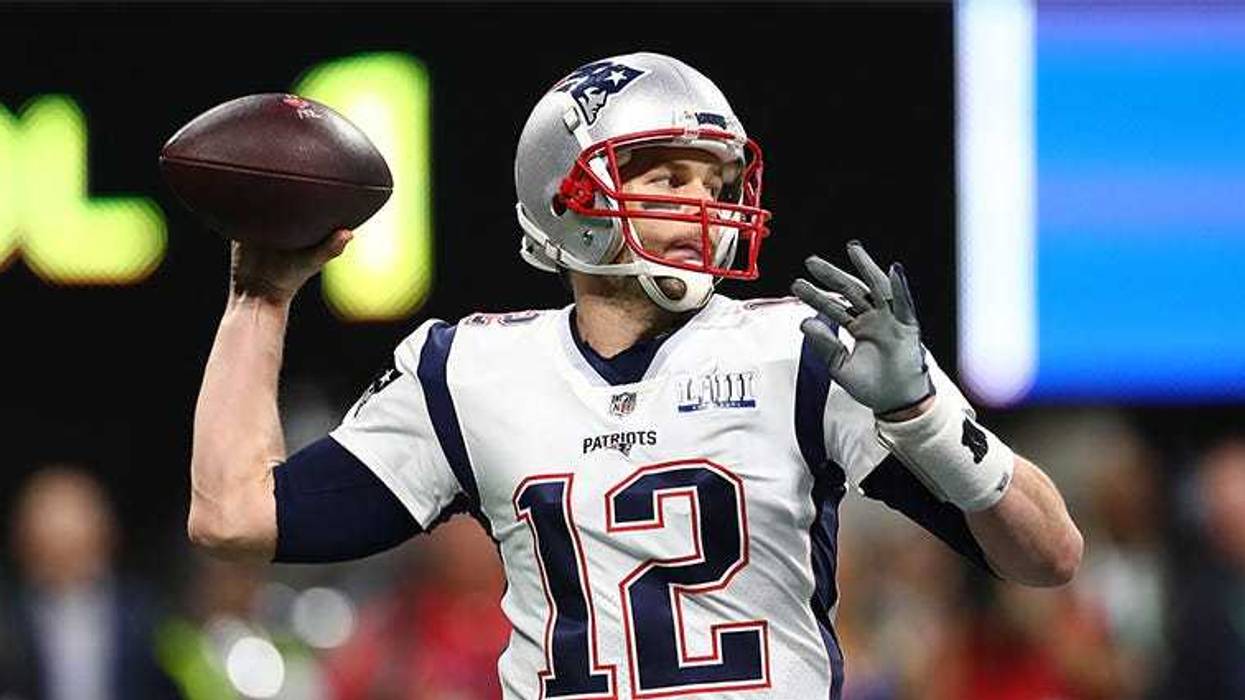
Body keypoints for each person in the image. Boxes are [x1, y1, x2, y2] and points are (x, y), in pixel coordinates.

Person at [187, 52, 1083, 698]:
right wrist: (260, 298)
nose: (705, 205)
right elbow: (233, 516)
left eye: (717, 179)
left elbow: (1047, 557)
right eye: (664, 175)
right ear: (565, 198)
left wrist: (924, 414)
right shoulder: (469, 369)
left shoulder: (804, 353)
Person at [1, 465, 181, 700]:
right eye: (50, 547)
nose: (63, 560)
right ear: (23, 546)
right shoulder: (7, 620)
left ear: (105, 539)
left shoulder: (149, 616)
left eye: (72, 546)